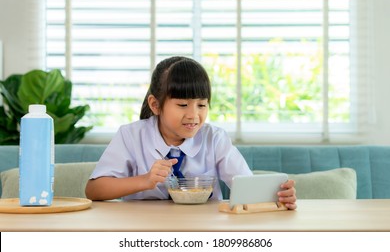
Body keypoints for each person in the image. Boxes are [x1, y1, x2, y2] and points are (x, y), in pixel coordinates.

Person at [85, 56, 297, 209]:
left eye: (201, 105)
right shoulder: (131, 136)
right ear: (155, 105)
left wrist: (279, 196)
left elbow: (247, 187)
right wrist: (145, 180)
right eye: (183, 104)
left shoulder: (215, 139)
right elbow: (94, 190)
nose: (193, 115)